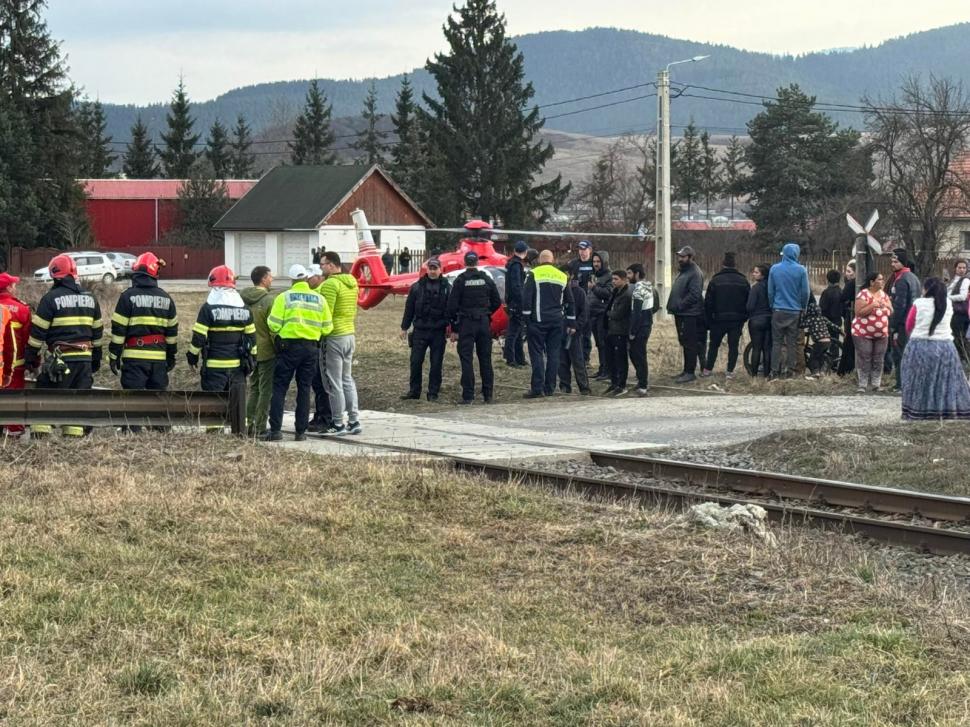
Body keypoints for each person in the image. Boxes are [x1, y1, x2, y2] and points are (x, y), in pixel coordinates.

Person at [25, 254, 104, 438]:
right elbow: (98, 334)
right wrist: (96, 359)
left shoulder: (50, 299)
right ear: (73, 273)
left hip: (60, 362)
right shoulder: (91, 299)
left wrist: (30, 358)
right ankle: (73, 440)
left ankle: (41, 437)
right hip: (84, 361)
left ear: (55, 276)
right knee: (78, 402)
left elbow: (37, 334)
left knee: (45, 396)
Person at [263, 264, 332, 441]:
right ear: (306, 279)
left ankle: (276, 430)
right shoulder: (319, 299)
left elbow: (273, 324)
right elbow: (327, 328)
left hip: (288, 349)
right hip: (311, 349)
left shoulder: (284, 297)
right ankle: (300, 432)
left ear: (292, 280)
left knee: (279, 388)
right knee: (304, 389)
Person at [108, 252, 178, 399]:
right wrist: (171, 356)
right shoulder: (167, 299)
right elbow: (172, 333)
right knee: (158, 407)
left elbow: (118, 331)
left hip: (134, 361)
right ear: (155, 273)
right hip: (159, 361)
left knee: (134, 405)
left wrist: (114, 356)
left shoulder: (127, 297)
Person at [901, 277, 970, 420]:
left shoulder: (919, 303)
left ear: (926, 289)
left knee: (919, 381)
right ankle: (944, 412)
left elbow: (908, 325)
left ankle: (919, 411)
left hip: (920, 346)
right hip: (945, 347)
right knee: (944, 381)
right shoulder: (948, 304)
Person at [187, 265, 256, 400]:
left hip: (214, 370)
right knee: (237, 411)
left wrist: (192, 357)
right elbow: (252, 339)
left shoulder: (208, 309)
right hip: (238, 370)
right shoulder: (245, 309)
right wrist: (253, 360)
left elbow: (199, 337)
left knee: (213, 409)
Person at [446, 251, 501, 404]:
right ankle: (488, 394)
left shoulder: (461, 280)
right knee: (485, 359)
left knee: (466, 359)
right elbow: (497, 301)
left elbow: (452, 306)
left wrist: (454, 325)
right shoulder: (486, 279)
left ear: (465, 263)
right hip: (483, 323)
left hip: (466, 323)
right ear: (477, 262)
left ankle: (468, 396)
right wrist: (487, 313)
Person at [522, 250, 575, 399]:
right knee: (554, 355)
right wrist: (571, 321)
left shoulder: (534, 273)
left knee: (537, 354)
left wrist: (526, 320)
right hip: (557, 321)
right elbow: (570, 301)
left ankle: (537, 388)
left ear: (540, 260)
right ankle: (550, 388)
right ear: (553, 260)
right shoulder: (562, 276)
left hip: (537, 321)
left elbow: (526, 298)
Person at [319, 251, 361, 435]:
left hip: (334, 335)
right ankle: (353, 420)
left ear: (331, 264)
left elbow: (325, 312)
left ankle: (337, 423)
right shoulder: (352, 282)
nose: (321, 268)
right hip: (349, 334)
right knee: (347, 379)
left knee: (333, 381)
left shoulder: (330, 284)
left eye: (322, 264)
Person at [400, 257, 451, 402]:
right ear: (427, 269)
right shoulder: (416, 287)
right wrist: (404, 327)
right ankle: (414, 391)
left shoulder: (447, 287)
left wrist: (453, 328)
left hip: (438, 331)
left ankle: (433, 393)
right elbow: (409, 308)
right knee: (415, 362)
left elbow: (452, 309)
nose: (433, 271)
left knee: (436, 364)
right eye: (431, 268)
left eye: (435, 268)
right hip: (420, 330)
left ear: (440, 270)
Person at [241, 265, 276, 437]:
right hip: (266, 350)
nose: (272, 279)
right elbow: (273, 328)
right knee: (265, 389)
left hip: (248, 350)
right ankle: (261, 426)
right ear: (263, 279)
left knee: (253, 388)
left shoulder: (242, 299)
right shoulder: (269, 300)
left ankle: (247, 423)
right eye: (270, 276)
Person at [702, 252, 749, 378]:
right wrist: (744, 317)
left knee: (714, 345)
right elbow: (748, 302)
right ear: (735, 265)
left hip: (718, 319)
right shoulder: (743, 281)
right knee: (733, 346)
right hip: (737, 320)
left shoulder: (715, 280)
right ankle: (730, 371)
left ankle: (708, 369)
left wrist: (709, 320)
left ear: (723, 265)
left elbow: (708, 303)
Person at [767, 242, 810, 379]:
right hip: (794, 311)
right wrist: (803, 306)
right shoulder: (801, 270)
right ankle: (790, 370)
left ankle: (774, 370)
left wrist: (772, 305)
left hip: (778, 309)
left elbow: (770, 291)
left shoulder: (774, 269)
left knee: (777, 342)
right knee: (792, 343)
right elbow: (805, 292)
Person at [666, 245, 705, 383]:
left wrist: (680, 305)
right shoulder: (684, 271)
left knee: (690, 343)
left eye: (683, 256)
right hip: (682, 313)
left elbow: (694, 295)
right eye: (679, 256)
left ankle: (690, 372)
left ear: (690, 257)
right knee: (685, 342)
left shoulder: (694, 272)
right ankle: (686, 370)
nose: (680, 259)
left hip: (690, 314)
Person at [0, 273, 31, 437]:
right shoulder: (21, 308)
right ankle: (13, 432)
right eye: (13, 284)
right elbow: (28, 339)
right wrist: (34, 362)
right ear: (9, 287)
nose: (15, 287)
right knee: (14, 401)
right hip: (15, 366)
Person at [851, 271, 893, 393]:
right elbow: (859, 312)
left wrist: (887, 305)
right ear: (872, 282)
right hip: (863, 333)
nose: (882, 281)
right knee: (865, 356)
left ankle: (876, 384)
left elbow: (891, 310)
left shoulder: (884, 295)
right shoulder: (863, 295)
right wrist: (872, 305)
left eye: (882, 279)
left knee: (879, 358)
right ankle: (863, 384)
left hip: (881, 334)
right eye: (879, 279)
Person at [888, 248, 921, 392]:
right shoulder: (914, 278)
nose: (893, 264)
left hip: (902, 324)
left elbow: (899, 306)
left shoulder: (901, 280)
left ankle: (901, 384)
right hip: (912, 322)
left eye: (896, 262)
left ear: (902, 262)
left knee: (899, 354)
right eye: (892, 261)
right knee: (909, 354)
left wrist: (893, 325)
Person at [306, 264, 333, 433]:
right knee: (317, 382)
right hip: (316, 341)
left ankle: (325, 417)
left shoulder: (321, 293)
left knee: (321, 382)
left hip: (320, 342)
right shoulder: (315, 292)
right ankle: (320, 413)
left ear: (319, 277)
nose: (308, 279)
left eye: (311, 276)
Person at [558, 271, 591, 395]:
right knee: (562, 362)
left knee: (578, 361)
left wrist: (576, 326)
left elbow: (584, 312)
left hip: (574, 333)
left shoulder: (579, 292)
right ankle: (565, 386)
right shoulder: (558, 289)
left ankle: (584, 387)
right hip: (559, 331)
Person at [604, 269, 633, 395]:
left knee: (620, 359)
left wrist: (608, 314)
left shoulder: (626, 294)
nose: (613, 282)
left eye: (616, 279)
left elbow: (618, 314)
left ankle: (621, 384)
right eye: (613, 279)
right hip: (611, 330)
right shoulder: (615, 292)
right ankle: (614, 382)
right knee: (611, 358)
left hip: (620, 331)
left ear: (624, 279)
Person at [627, 263, 654, 395]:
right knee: (637, 354)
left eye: (630, 273)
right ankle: (641, 380)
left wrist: (632, 331)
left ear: (637, 274)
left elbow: (636, 312)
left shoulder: (638, 289)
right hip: (647, 324)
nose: (628, 277)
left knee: (638, 355)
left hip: (640, 327)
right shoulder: (649, 286)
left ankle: (643, 385)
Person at [588, 250, 612, 378]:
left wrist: (594, 288)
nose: (596, 264)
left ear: (604, 262)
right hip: (593, 314)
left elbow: (609, 293)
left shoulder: (609, 276)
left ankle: (607, 370)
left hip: (602, 314)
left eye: (598, 261)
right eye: (594, 261)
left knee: (604, 343)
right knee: (598, 344)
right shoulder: (595, 276)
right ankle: (602, 369)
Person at [503, 241, 528, 368]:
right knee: (513, 332)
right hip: (517, 303)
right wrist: (522, 302)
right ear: (525, 252)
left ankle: (519, 358)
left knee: (518, 331)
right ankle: (510, 358)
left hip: (513, 302)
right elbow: (517, 286)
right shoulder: (516, 265)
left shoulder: (512, 264)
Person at [746, 264, 772, 378]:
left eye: (756, 272)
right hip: (769, 319)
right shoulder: (771, 287)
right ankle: (767, 375)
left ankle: (754, 374)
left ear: (763, 275)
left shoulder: (755, 288)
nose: (753, 274)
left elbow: (750, 306)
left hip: (756, 320)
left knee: (756, 348)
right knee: (767, 348)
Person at [800, 294, 834, 378]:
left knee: (813, 358)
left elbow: (801, 325)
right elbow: (832, 325)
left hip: (819, 342)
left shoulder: (810, 319)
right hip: (828, 340)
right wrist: (841, 332)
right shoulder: (823, 318)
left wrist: (801, 316)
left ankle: (816, 372)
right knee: (821, 357)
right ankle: (823, 372)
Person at [947, 259, 969, 364]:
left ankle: (962, 359)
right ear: (955, 268)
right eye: (959, 267)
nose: (961, 270)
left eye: (964, 268)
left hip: (960, 313)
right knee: (955, 335)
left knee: (959, 337)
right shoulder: (954, 279)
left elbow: (962, 297)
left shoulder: (965, 280)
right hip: (953, 312)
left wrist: (947, 297)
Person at [837, 260, 856, 376]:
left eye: (849, 271)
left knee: (848, 343)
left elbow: (843, 298)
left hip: (851, 316)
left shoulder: (851, 284)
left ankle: (845, 370)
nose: (846, 274)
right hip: (850, 315)